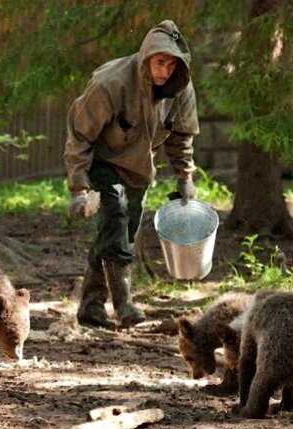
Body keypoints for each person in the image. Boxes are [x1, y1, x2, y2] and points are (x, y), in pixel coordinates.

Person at [64, 20, 199, 329]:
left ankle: (91, 308)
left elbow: (181, 136)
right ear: (147, 57)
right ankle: (124, 304)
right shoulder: (111, 83)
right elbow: (80, 135)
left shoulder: (180, 88)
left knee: (120, 234)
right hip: (102, 160)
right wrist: (79, 188)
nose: (165, 70)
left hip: (139, 168)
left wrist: (185, 177)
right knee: (115, 220)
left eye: (171, 64)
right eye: (160, 62)